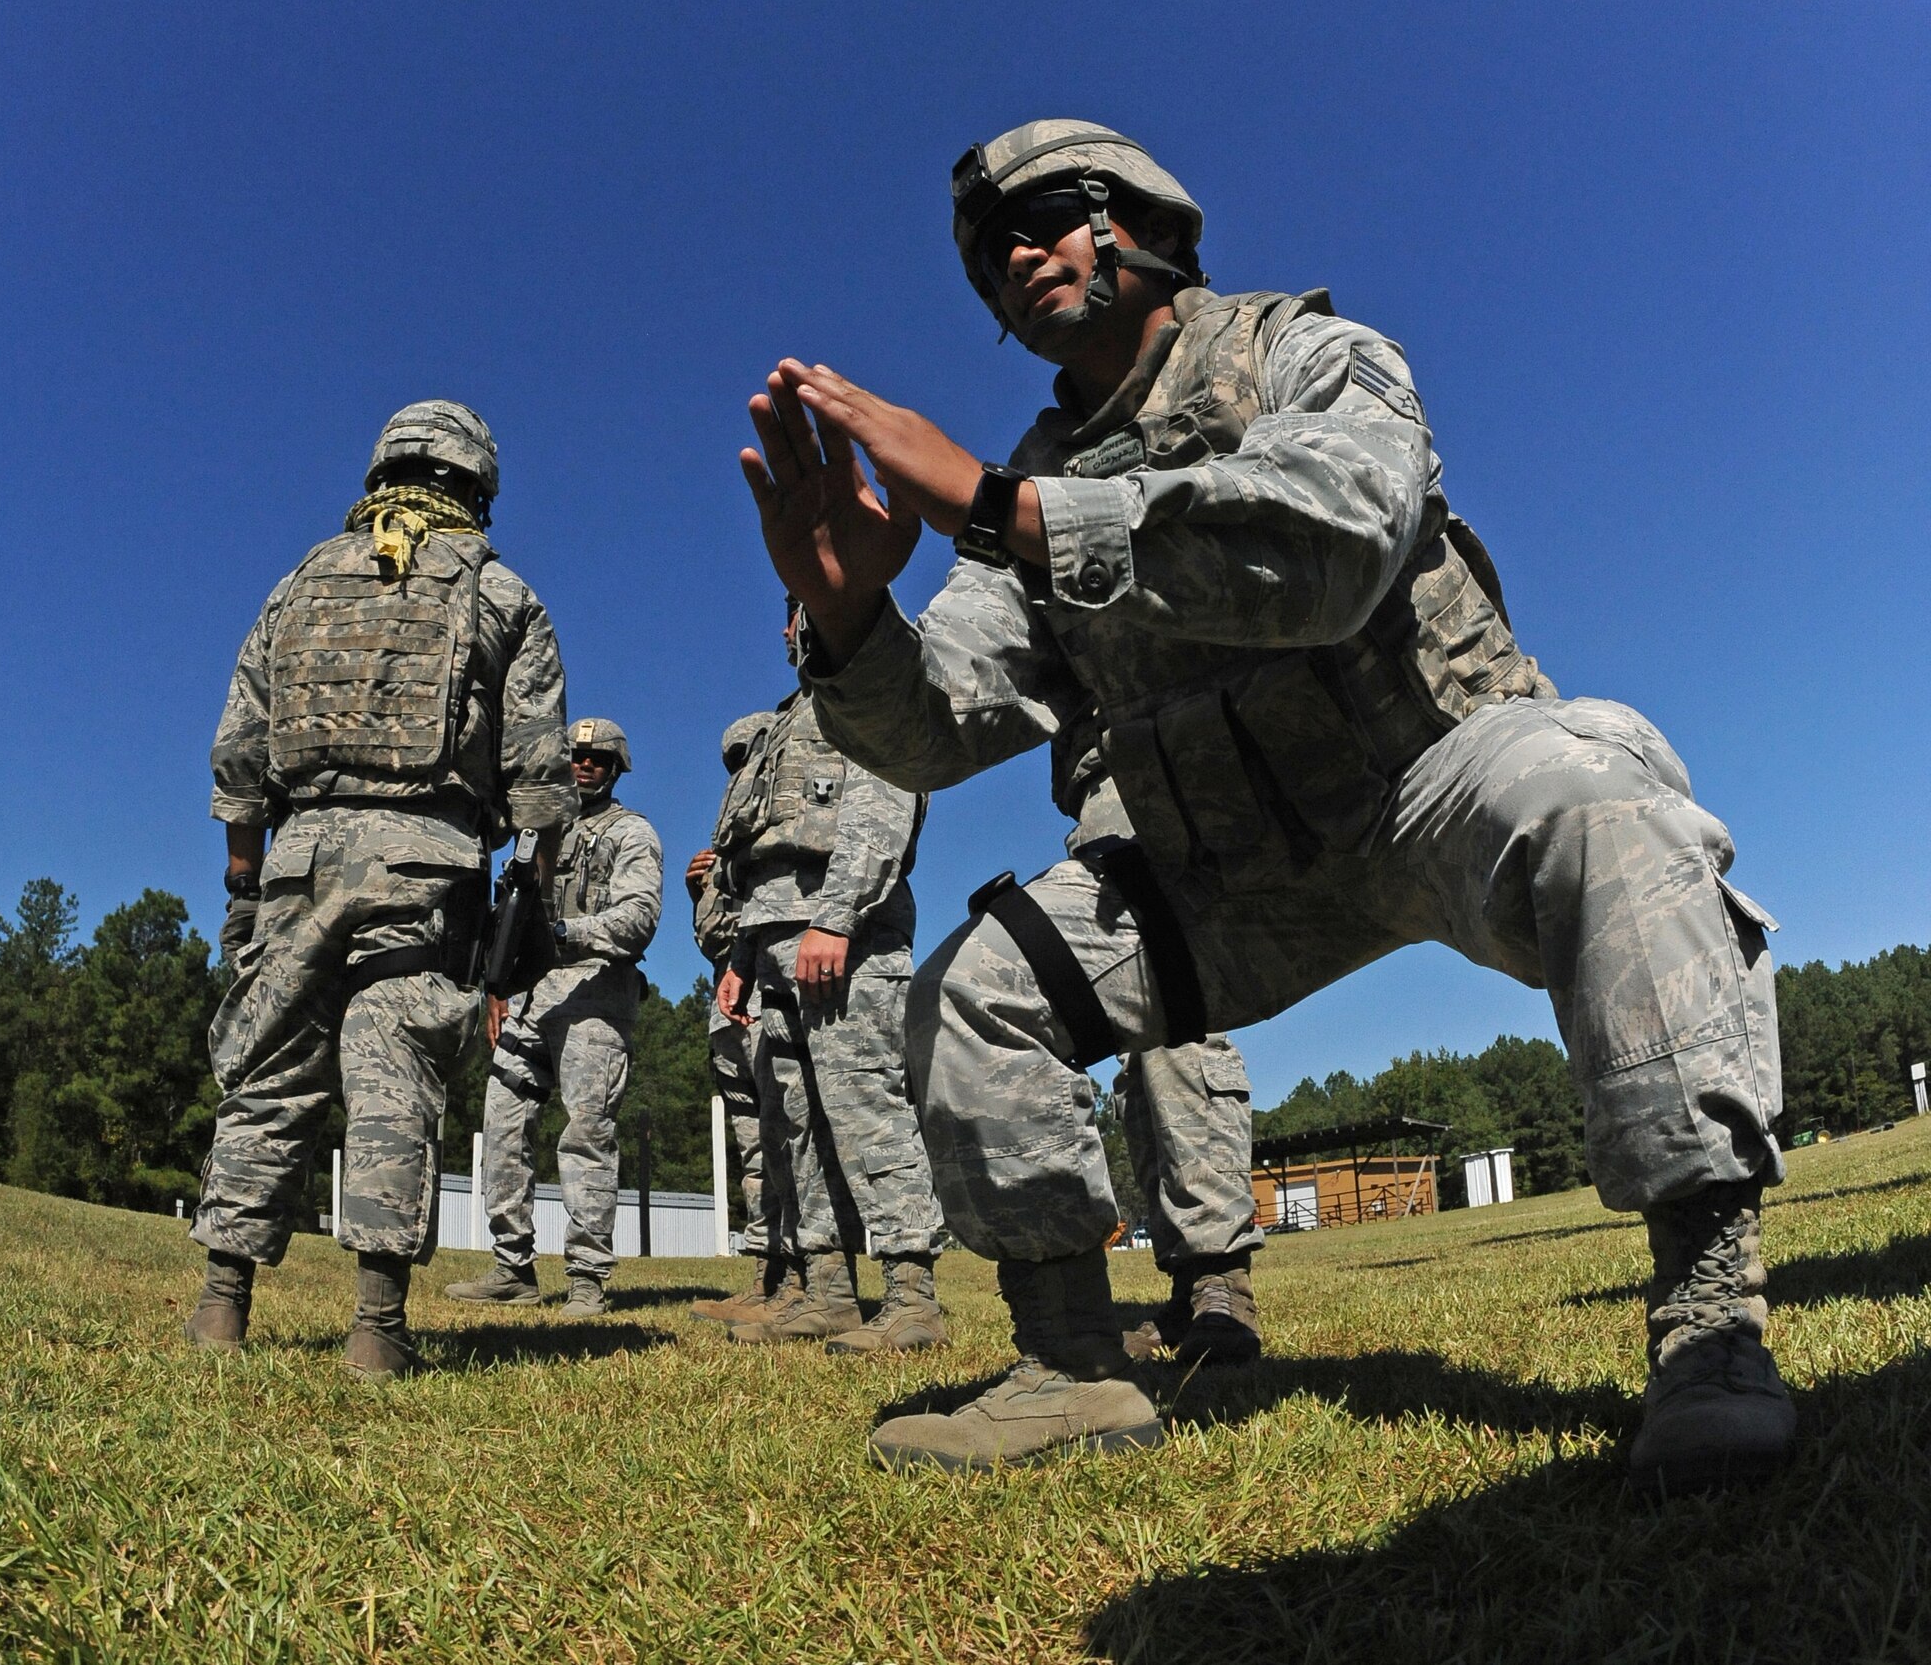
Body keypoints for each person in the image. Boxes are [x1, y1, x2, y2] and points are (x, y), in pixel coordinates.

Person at [739, 120, 1794, 1492]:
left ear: (1143, 219)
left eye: (1048, 214)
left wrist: (1012, 510)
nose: (1014, 255)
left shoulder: (1302, 353)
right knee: (976, 988)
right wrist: (851, 618)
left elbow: (1339, 537)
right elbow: (939, 727)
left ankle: (1710, 1316)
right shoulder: (1032, 469)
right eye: (988, 254)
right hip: (1215, 876)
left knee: (1607, 793)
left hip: (1433, 784)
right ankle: (1070, 1363)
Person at [187, 399, 578, 1377]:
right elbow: (538, 782)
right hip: (426, 867)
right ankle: (375, 1331)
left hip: (298, 865)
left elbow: (238, 757)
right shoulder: (503, 594)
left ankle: (221, 1309)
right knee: (392, 1085)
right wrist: (526, 901)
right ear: (476, 487)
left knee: (268, 1078)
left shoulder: (296, 586)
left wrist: (245, 881)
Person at [712, 602, 949, 1352]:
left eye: (808, 609)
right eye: (786, 615)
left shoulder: (869, 694)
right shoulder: (786, 721)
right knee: (794, 1126)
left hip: (842, 937)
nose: (795, 628)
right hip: (774, 940)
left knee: (864, 1109)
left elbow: (884, 809)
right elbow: (756, 852)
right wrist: (742, 959)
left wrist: (837, 918)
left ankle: (912, 1296)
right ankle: (827, 1288)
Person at [1052, 709, 1262, 1366]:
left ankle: (1221, 1280)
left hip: (1161, 764)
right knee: (1136, 1066)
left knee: (1181, 1029)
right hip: (1099, 801)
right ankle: (1187, 1284)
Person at [446, 718, 663, 1318]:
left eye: (597, 758)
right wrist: (498, 984)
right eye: (575, 756)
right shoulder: (532, 836)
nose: (584, 765)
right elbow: (505, 914)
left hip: (595, 996)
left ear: (616, 768)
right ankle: (512, 1265)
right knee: (502, 1124)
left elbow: (640, 918)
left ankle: (588, 1277)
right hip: (532, 998)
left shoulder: (631, 834)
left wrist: (564, 934)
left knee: (587, 1135)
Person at [686, 710, 795, 1323]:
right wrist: (698, 891)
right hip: (731, 1016)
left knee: (790, 1142)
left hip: (773, 1002)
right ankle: (766, 1274)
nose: (741, 773)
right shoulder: (729, 847)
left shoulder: (782, 838)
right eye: (732, 765)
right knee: (755, 1153)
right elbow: (714, 942)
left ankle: (807, 1273)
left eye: (748, 758)